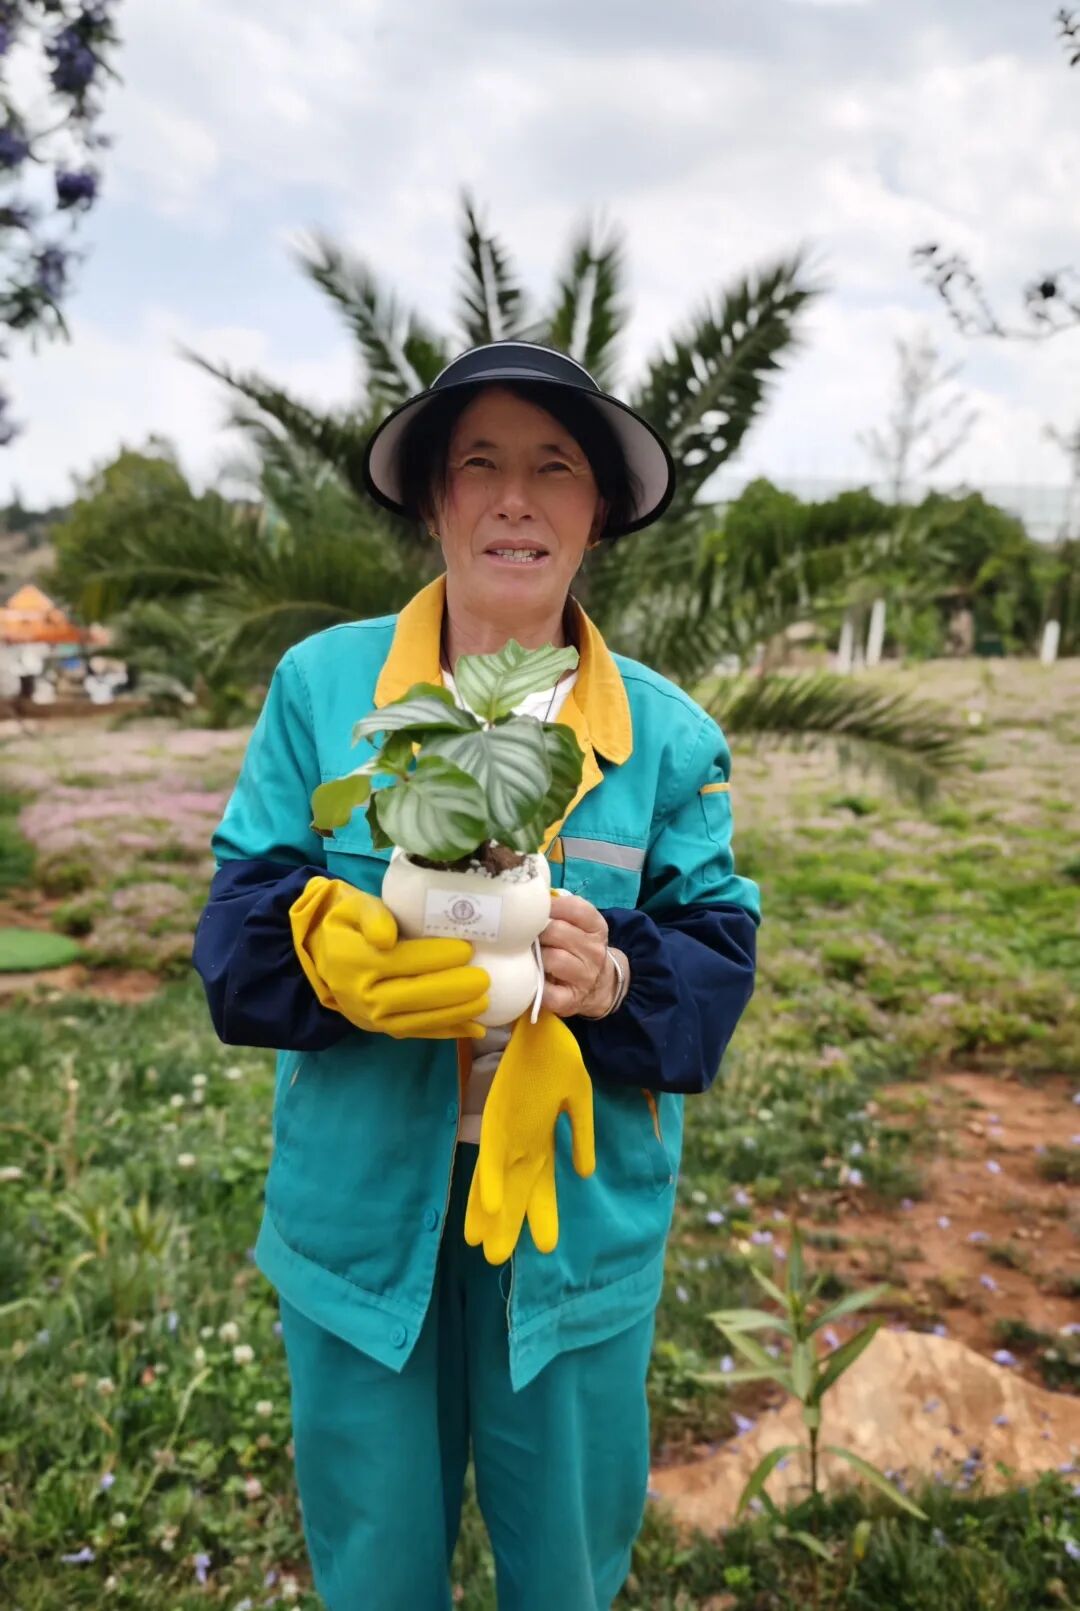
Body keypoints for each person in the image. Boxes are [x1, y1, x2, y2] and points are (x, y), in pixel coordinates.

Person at [192, 340, 760, 1610]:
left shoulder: (665, 736)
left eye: (554, 469)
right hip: (356, 1221)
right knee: (376, 1561)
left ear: (596, 512)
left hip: (572, 1224)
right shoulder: (325, 689)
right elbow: (235, 929)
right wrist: (315, 951)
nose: (517, 498)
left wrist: (614, 978)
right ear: (435, 503)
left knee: (563, 1563)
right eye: (481, 466)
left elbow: (720, 956)